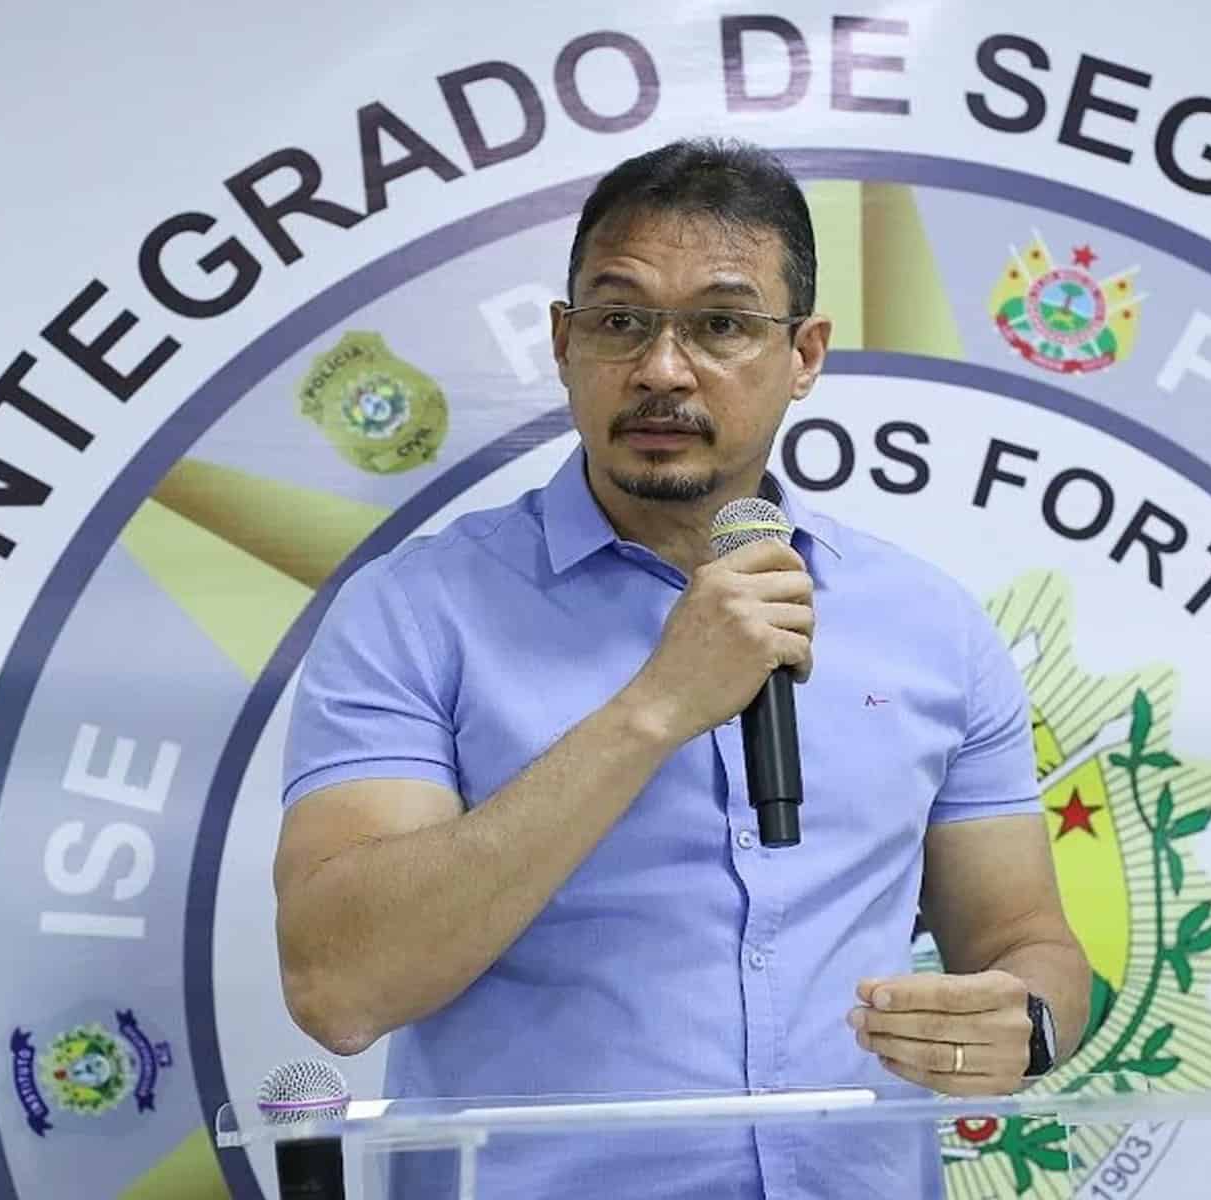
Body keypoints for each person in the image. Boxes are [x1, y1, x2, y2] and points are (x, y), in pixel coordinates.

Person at [274, 137, 1090, 1198]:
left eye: (721, 324)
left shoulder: (929, 624)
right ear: (563, 343)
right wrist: (658, 704)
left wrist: (1025, 1022)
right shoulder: (414, 611)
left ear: (805, 355)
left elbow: (1027, 940)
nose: (662, 370)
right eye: (619, 321)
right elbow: (340, 987)